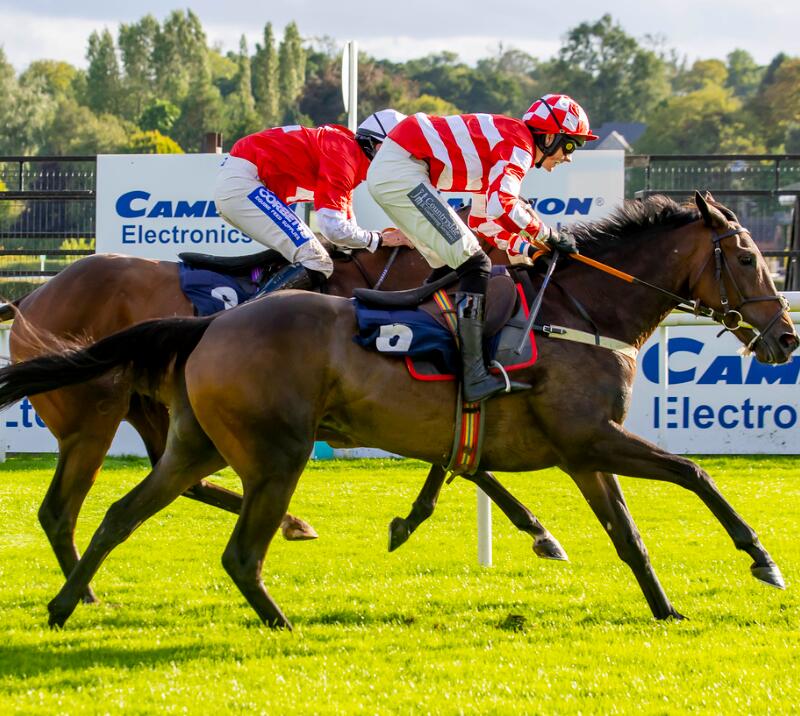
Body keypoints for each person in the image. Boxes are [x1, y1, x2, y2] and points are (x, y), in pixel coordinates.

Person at [366, 94, 598, 402]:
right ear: (551, 135)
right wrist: (549, 236)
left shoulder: (508, 141)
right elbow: (504, 204)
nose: (568, 157)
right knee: (475, 264)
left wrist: (528, 250)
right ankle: (473, 375)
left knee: (452, 263)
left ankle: (429, 355)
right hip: (402, 172)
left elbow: (483, 218)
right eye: (570, 145)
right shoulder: (519, 145)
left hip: (401, 171)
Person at [214, 109, 411, 295]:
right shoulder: (344, 157)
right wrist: (380, 239)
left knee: (313, 254)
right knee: (316, 260)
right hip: (245, 183)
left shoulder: (347, 154)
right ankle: (253, 316)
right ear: (378, 148)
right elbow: (333, 229)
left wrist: (382, 238)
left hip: (244, 181)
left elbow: (346, 232)